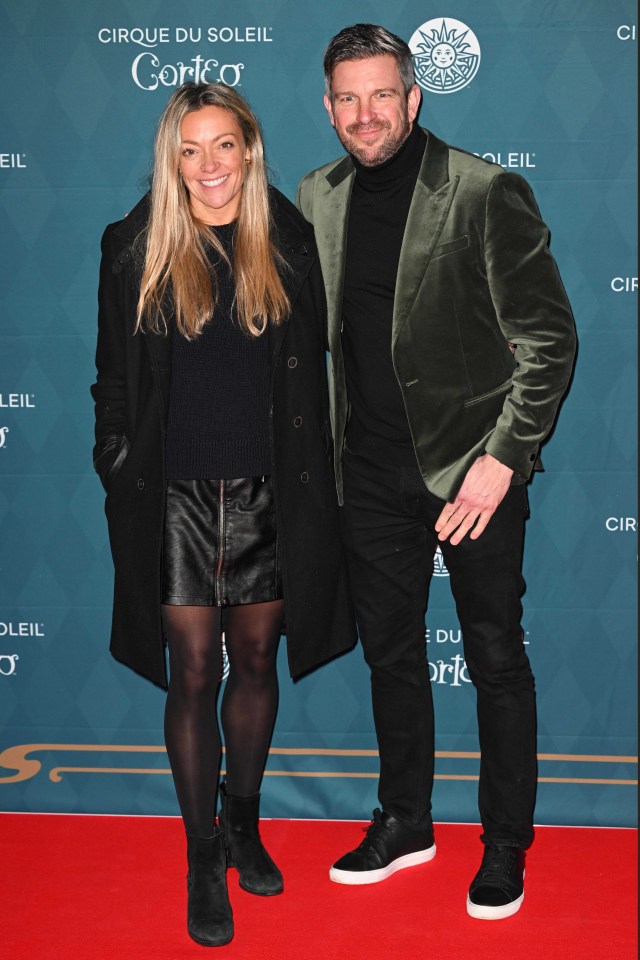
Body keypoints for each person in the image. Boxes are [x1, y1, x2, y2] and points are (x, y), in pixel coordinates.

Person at [298, 23, 576, 920]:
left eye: (383, 94)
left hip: (473, 474)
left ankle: (504, 846)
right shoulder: (318, 195)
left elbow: (548, 341)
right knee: (393, 656)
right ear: (329, 107)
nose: (366, 113)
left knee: (495, 656)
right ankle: (406, 820)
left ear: (415, 97)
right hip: (369, 474)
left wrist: (501, 462)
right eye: (348, 97)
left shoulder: (485, 190)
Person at [92, 81, 355, 947]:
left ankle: (243, 821)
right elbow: (115, 386)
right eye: (190, 149)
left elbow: (317, 374)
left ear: (250, 148)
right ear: (172, 159)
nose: (210, 167)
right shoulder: (133, 248)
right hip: (172, 498)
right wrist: (118, 463)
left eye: (225, 146)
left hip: (269, 490)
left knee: (254, 660)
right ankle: (203, 853)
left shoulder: (286, 240)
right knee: (193, 671)